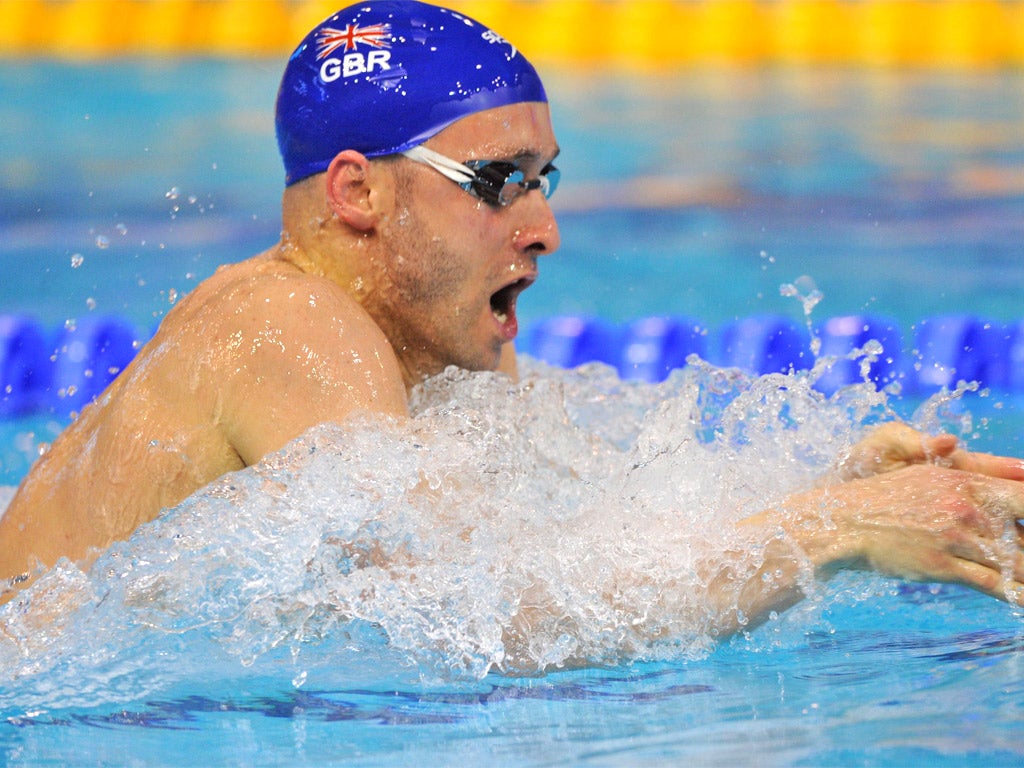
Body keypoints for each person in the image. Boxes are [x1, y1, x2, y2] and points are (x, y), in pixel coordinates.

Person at [1, 1, 1022, 630]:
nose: (544, 230)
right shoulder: (285, 326)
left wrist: (829, 482)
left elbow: (575, 534)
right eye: (498, 181)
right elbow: (489, 617)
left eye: (547, 180)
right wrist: (831, 533)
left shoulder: (416, 354)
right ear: (357, 194)